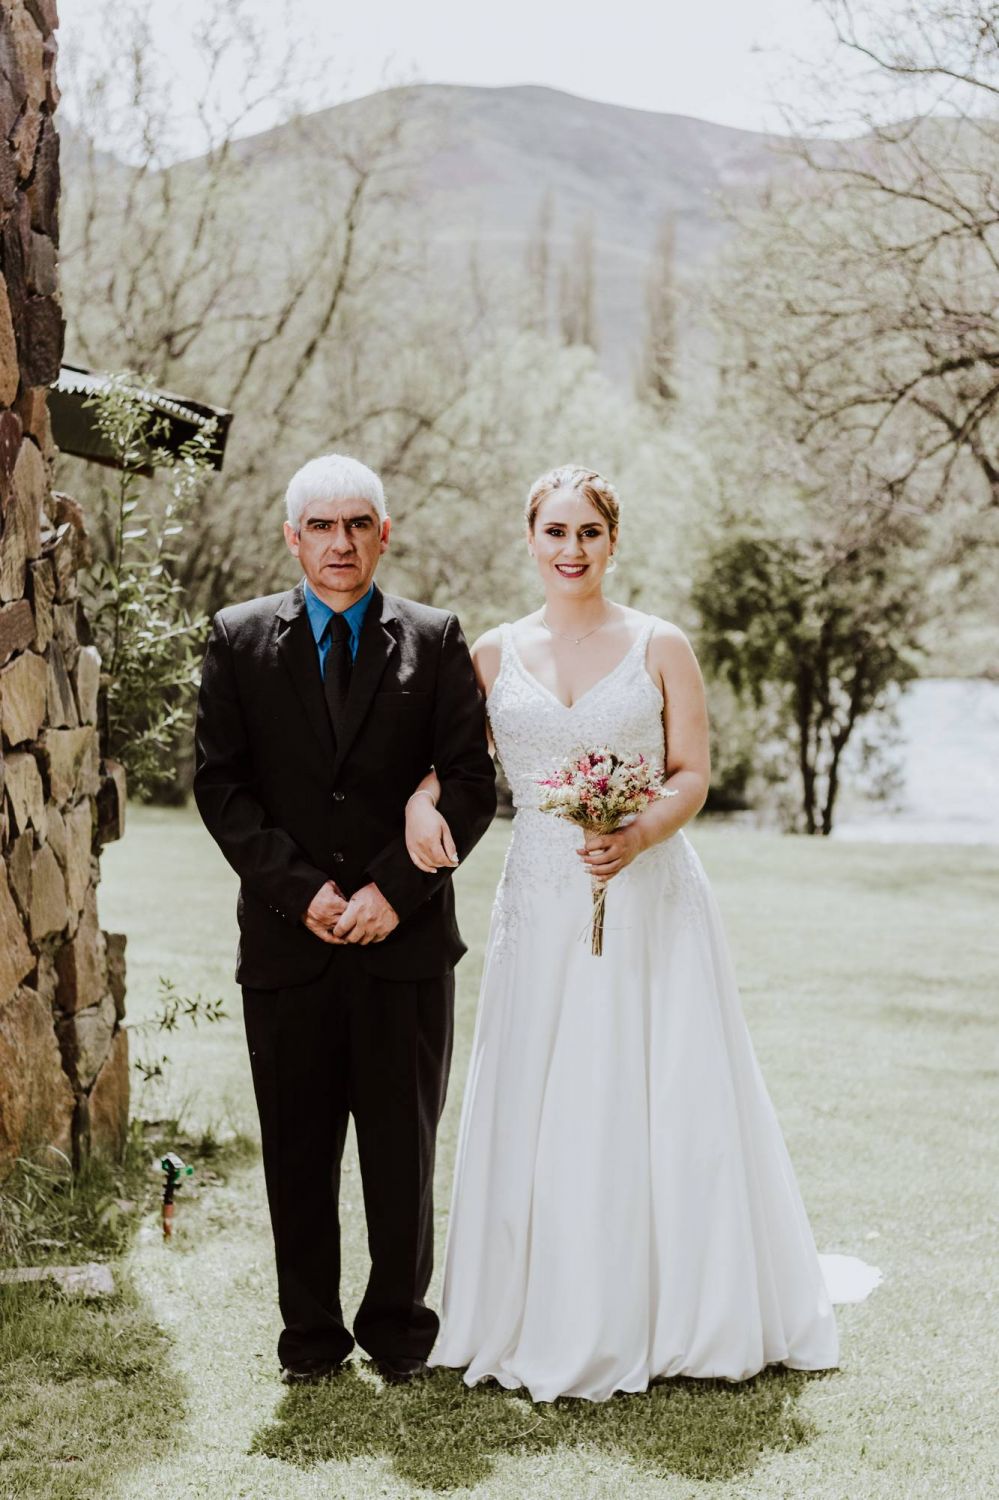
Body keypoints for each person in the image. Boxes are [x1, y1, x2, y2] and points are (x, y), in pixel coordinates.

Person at [406, 464, 878, 1403]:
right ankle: (535, 1306)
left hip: (650, 894)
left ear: (613, 543)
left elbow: (691, 772)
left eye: (589, 532)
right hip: (541, 901)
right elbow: (450, 767)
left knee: (659, 1081)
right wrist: (422, 802)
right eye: (555, 531)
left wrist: (637, 834)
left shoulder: (660, 644)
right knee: (543, 1084)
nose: (571, 549)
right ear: (529, 540)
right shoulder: (491, 654)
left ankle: (682, 1308)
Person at [193, 453, 496, 1387]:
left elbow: (471, 785)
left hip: (404, 947)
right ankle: (311, 1338)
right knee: (296, 1154)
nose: (340, 542)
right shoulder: (238, 637)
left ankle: (400, 1331)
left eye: (357, 524)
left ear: (383, 534)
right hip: (287, 945)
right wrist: (304, 893)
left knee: (403, 1154)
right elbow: (222, 787)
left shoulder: (434, 639)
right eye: (321, 526)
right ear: (292, 537)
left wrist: (389, 892)